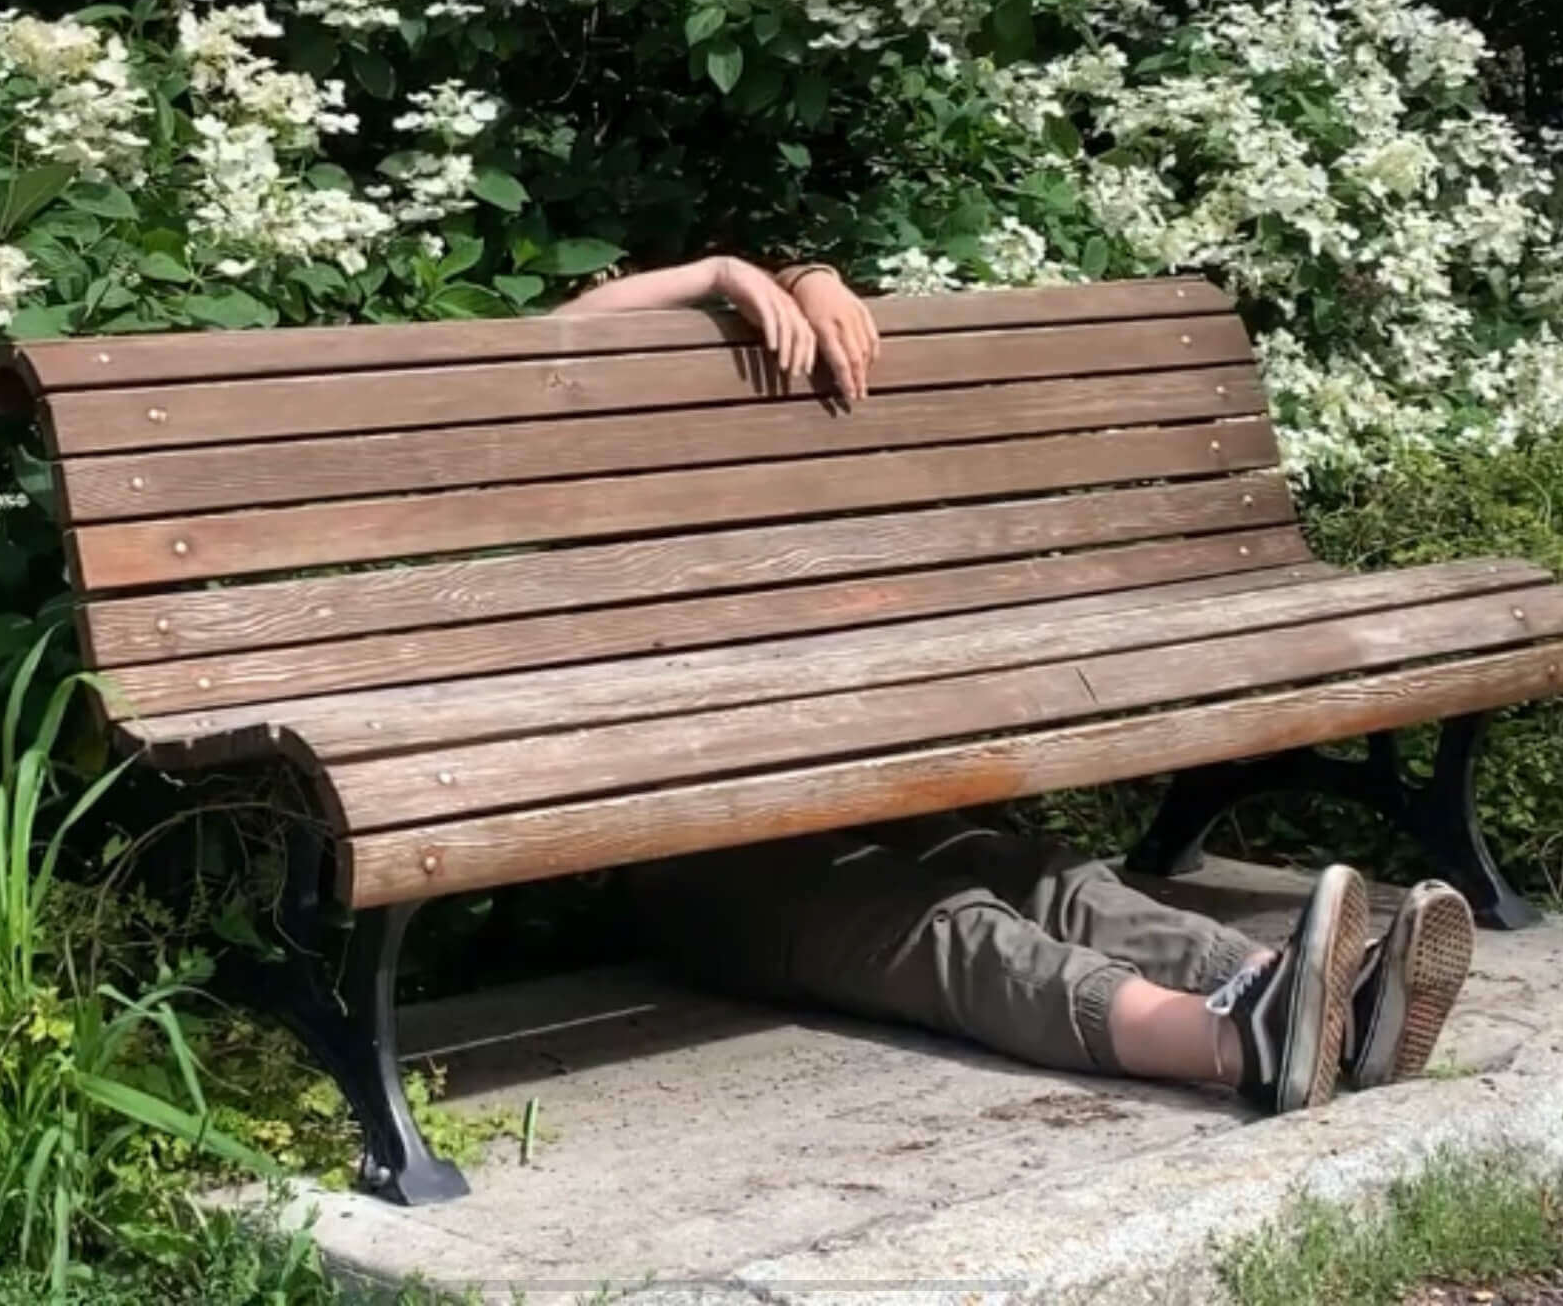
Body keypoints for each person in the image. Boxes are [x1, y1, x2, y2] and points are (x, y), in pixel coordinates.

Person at [556, 252, 1478, 1115]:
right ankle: (1237, 1041)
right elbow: (561, 342)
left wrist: (807, 274)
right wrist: (720, 271)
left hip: (837, 806)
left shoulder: (751, 534)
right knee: (952, 930)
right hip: (698, 867)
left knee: (1035, 874)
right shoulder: (588, 525)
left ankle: (1303, 987)